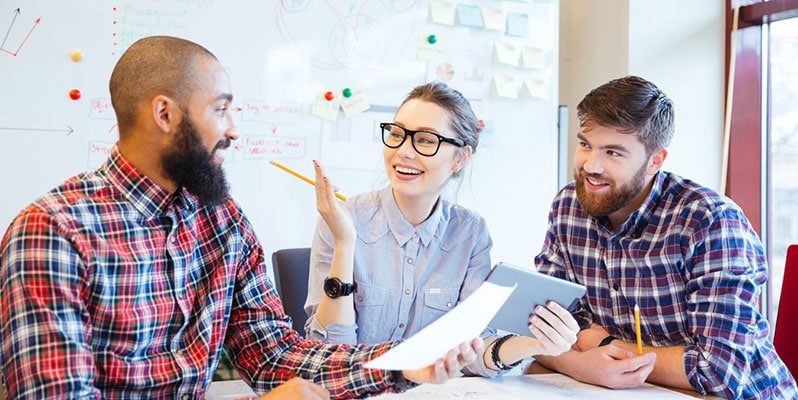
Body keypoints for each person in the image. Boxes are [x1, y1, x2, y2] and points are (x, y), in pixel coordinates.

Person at [0, 36, 483, 399]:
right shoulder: (53, 232)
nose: (234, 130)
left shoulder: (223, 223)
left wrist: (402, 364)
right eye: (221, 109)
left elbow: (275, 356)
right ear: (165, 114)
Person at [532, 75, 798, 399]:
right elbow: (539, 330)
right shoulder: (568, 206)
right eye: (586, 144)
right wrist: (582, 364)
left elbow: (718, 371)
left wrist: (603, 344)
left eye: (613, 153)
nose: (591, 166)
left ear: (654, 161)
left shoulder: (709, 221)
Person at [304, 81, 580, 377]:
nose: (403, 152)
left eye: (425, 140)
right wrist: (345, 243)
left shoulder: (471, 233)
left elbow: (472, 351)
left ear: (460, 158)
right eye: (396, 134)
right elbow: (330, 356)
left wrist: (534, 344)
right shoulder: (344, 220)